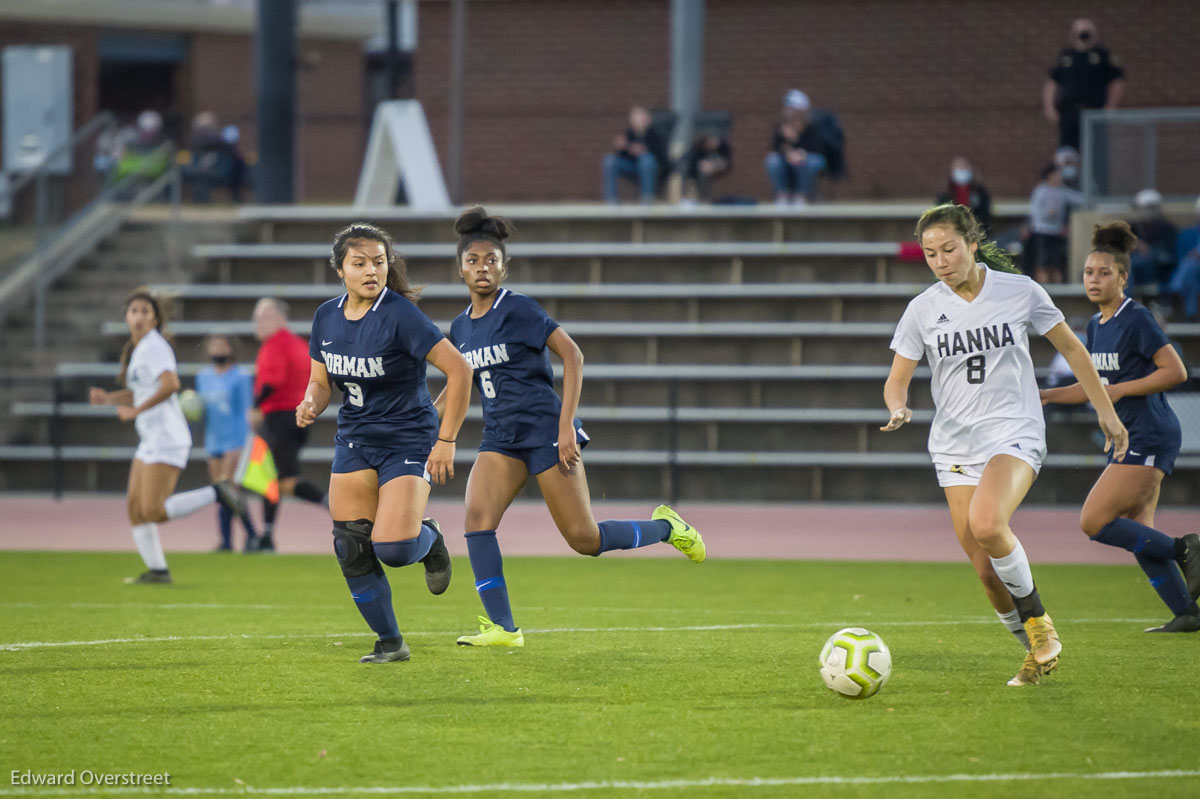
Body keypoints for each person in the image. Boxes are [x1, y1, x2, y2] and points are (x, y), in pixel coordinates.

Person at [881, 204, 1129, 687]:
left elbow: (1073, 349)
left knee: (989, 523)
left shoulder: (1019, 291)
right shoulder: (923, 309)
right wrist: (898, 406)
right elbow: (897, 380)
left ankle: (1040, 625)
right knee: (987, 572)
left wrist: (1105, 409)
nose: (940, 260)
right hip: (953, 447)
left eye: (949, 249)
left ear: (973, 245)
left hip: (1013, 430)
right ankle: (1035, 655)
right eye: (930, 253)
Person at [446, 207, 706, 648]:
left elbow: (573, 355)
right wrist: (430, 420)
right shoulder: (459, 327)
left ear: (504, 266)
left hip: (546, 431)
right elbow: (460, 381)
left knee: (585, 539)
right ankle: (504, 629)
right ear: (460, 269)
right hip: (501, 438)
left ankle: (668, 529)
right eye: (473, 261)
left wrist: (566, 426)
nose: (482, 268)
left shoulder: (519, 309)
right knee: (476, 519)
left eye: (491, 260)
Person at [296, 223, 473, 663]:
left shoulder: (399, 314)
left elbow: (461, 371)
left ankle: (429, 540)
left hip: (408, 439)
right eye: (360, 263)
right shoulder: (326, 316)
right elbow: (320, 381)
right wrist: (310, 402)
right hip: (355, 440)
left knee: (392, 549)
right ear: (340, 270)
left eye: (379, 261)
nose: (371, 270)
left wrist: (446, 439)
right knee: (351, 546)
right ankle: (391, 642)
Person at [1040, 222, 1200, 632]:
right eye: (1089, 272)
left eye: (1104, 272)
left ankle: (1188, 548)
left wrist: (1120, 390)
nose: (1094, 279)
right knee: (1139, 533)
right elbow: (1094, 387)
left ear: (1123, 277)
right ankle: (1187, 614)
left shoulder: (1136, 317)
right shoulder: (1096, 325)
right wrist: (1044, 395)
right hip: (1131, 434)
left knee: (1094, 521)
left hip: (1150, 431)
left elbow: (1176, 371)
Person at [89, 289, 246, 584]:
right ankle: (158, 571)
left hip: (166, 437)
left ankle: (218, 492)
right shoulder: (141, 349)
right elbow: (142, 391)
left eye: (145, 311)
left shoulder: (153, 346)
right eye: (133, 310)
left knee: (153, 510)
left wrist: (135, 412)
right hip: (152, 438)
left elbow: (171, 385)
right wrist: (110, 399)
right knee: (136, 509)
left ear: (155, 318)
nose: (138, 316)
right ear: (126, 316)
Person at [252, 297, 329, 551]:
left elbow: (273, 379)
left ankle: (333, 504)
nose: (257, 323)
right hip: (295, 417)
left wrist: (255, 406)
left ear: (277, 318)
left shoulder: (276, 344)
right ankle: (266, 534)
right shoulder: (298, 344)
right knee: (274, 478)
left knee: (282, 480)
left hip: (280, 417)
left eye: (261, 317)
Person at [195, 334, 259, 551]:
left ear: (231, 349)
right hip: (213, 439)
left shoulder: (240, 376)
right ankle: (228, 541)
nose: (217, 349)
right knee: (221, 492)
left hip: (234, 439)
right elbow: (201, 409)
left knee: (229, 487)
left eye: (222, 345)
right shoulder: (203, 377)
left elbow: (246, 410)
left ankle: (248, 534)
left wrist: (246, 442)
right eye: (214, 345)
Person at [1042, 18, 1125, 151]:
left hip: (1094, 113)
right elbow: (1051, 83)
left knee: (1096, 150)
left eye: (1087, 32)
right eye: (1080, 32)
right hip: (1069, 113)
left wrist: (1110, 107)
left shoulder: (1103, 56)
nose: (1083, 36)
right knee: (1067, 153)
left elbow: (1117, 82)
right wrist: (1050, 108)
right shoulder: (1065, 57)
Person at [764, 89, 845, 206]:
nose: (790, 112)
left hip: (806, 160)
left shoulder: (813, 125)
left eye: (793, 109)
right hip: (787, 161)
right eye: (788, 108)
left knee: (812, 162)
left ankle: (801, 196)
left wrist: (801, 151)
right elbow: (775, 147)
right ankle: (782, 195)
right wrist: (788, 149)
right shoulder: (782, 126)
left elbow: (819, 148)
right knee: (772, 160)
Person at [1026, 163, 1082, 284]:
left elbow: (1078, 199)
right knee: (1043, 262)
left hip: (1056, 231)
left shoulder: (1062, 191)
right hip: (1042, 231)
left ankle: (1057, 285)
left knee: (1056, 263)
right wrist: (1046, 214)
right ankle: (1044, 285)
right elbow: (1034, 211)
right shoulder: (1041, 190)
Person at [602, 106, 669, 204]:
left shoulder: (655, 135)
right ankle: (611, 201)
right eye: (637, 118)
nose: (640, 121)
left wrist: (644, 151)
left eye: (642, 118)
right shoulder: (628, 134)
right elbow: (622, 155)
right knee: (609, 160)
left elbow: (662, 157)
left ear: (648, 120)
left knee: (646, 159)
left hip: (650, 168)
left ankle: (646, 199)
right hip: (631, 167)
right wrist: (620, 148)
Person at [1128, 189, 1179, 296]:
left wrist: (1149, 250)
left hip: (1156, 270)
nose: (1148, 212)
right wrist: (1136, 244)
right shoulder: (1132, 226)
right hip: (1135, 269)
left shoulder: (1167, 228)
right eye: (1145, 208)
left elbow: (1167, 254)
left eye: (1152, 208)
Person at [935, 157, 993, 235]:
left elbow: (985, 214)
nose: (961, 171)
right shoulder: (946, 193)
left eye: (964, 168)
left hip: (976, 233)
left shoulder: (979, 192)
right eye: (958, 168)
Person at [1166, 196, 1200, 321]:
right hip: (1192, 272)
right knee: (1190, 271)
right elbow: (1180, 257)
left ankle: (1175, 288)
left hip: (1189, 270)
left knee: (1189, 265)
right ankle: (1190, 314)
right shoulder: (1187, 234)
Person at [678, 132, 732, 203]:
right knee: (686, 169)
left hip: (714, 168)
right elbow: (686, 159)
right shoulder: (698, 148)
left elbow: (726, 163)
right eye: (710, 141)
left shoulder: (723, 148)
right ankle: (684, 196)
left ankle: (704, 198)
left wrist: (714, 165)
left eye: (714, 141)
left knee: (703, 173)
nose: (712, 143)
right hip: (695, 170)